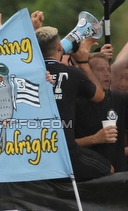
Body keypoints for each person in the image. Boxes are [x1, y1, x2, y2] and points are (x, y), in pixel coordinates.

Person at [35, 26, 111, 181]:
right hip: (66, 151)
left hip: (34, 150)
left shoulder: (28, 73)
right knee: (109, 170)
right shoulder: (72, 73)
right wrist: (83, 62)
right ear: (59, 46)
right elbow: (99, 95)